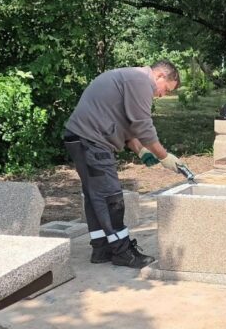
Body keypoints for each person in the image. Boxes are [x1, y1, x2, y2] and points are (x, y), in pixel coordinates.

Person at [63, 60, 189, 268]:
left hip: (81, 138)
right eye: (166, 90)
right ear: (159, 76)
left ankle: (101, 248)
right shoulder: (141, 81)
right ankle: (123, 252)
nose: (162, 95)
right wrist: (164, 156)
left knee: (96, 197)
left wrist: (141, 151)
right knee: (111, 198)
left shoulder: (130, 78)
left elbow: (128, 125)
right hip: (92, 141)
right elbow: (143, 126)